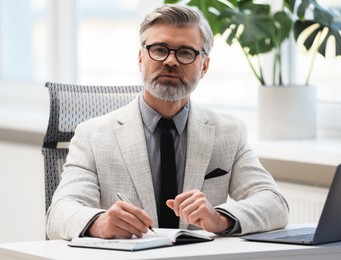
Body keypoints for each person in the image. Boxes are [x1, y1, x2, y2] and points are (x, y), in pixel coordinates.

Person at [46, 4, 289, 240]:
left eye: (185, 52)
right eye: (160, 49)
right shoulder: (93, 135)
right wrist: (99, 223)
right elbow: (59, 214)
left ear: (204, 66)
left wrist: (220, 218)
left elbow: (274, 203)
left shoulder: (228, 133)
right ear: (141, 58)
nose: (170, 61)